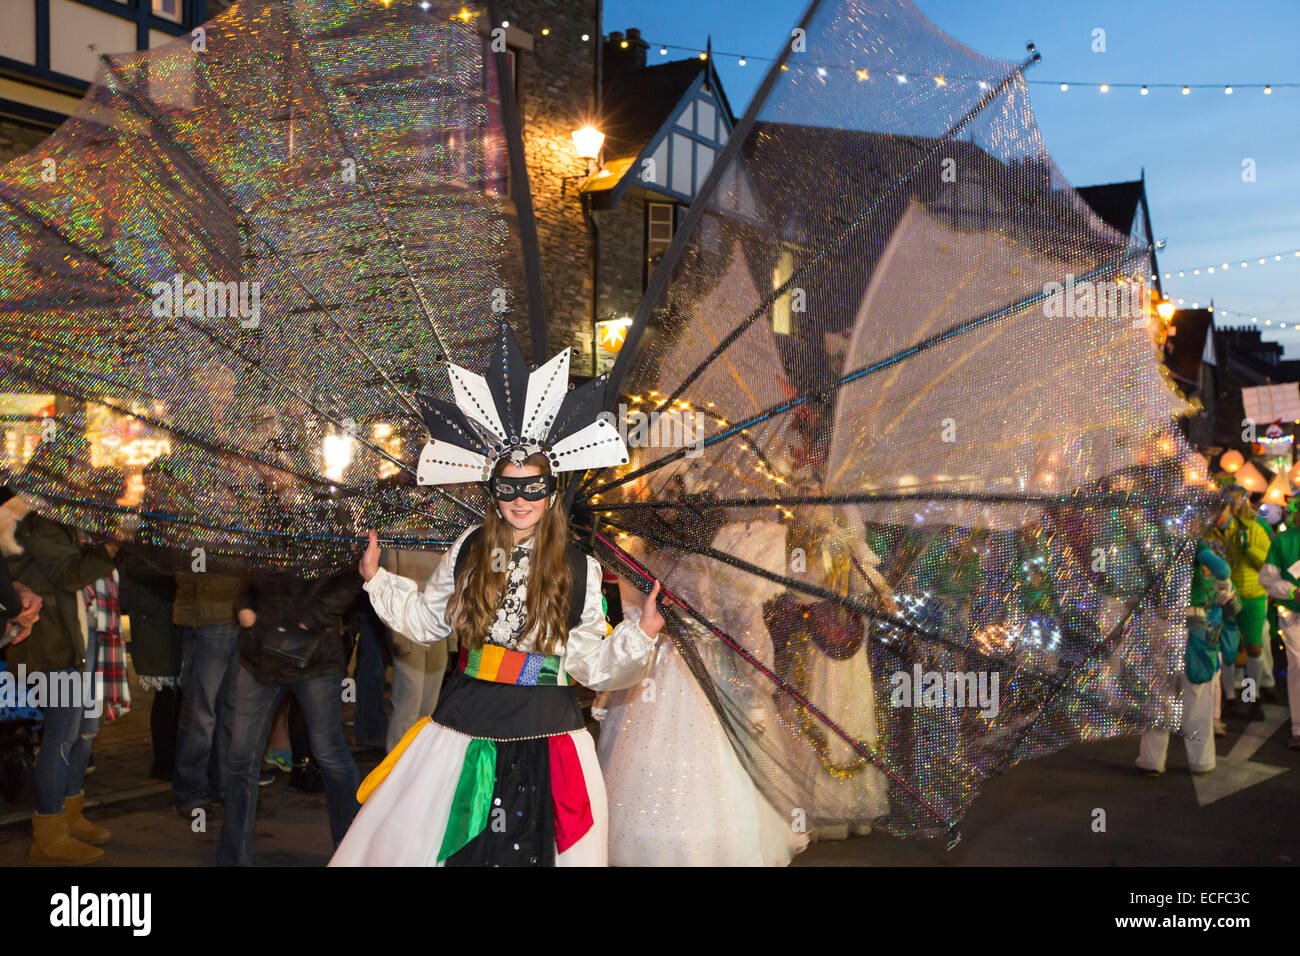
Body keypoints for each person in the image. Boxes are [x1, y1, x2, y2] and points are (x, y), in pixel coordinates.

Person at [330, 454, 661, 866]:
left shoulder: (580, 566)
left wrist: (640, 635)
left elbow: (589, 663)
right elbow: (429, 620)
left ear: (552, 493)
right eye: (507, 489)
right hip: (465, 722)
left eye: (532, 489)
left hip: (546, 732)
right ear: (493, 492)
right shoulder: (470, 546)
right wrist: (376, 579)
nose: (520, 502)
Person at [595, 519, 809, 866]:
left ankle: (654, 848)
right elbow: (747, 627)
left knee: (645, 764)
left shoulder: (632, 552)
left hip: (651, 666)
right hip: (705, 670)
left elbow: (631, 621)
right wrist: (759, 679)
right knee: (715, 764)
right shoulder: (726, 556)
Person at [216, 565, 364, 865]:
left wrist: (308, 621)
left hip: (315, 653)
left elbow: (354, 577)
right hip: (259, 652)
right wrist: (244, 606)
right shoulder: (263, 521)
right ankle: (233, 859)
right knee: (241, 758)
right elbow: (248, 567)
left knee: (329, 752)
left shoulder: (334, 522)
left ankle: (352, 851)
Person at [1, 492, 119, 864]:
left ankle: (70, 814)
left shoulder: (51, 515)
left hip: (72, 638)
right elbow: (70, 574)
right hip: (50, 645)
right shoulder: (34, 520)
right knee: (61, 738)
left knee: (81, 733)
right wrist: (113, 546)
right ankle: (49, 832)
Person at [1136, 542, 1232, 775]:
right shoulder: (1194, 542)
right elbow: (1222, 569)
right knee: (1197, 695)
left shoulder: (1149, 538)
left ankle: (1152, 761)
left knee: (1158, 695)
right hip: (1194, 623)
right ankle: (1202, 762)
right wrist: (1223, 587)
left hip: (1159, 625)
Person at [171, 567, 242, 814]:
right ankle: (189, 793)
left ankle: (221, 786)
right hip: (208, 615)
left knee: (229, 710)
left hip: (234, 612)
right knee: (201, 712)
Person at [1208, 488, 1270, 720]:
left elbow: (1266, 562)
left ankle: (1252, 698)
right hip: (1227, 597)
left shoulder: (1255, 529)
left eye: (1234, 503)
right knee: (1228, 652)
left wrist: (1247, 546)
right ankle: (1230, 698)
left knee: (1254, 648)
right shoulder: (1214, 531)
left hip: (1253, 596)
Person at [118, 553, 182, 780]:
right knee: (166, 694)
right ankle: (164, 761)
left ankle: (173, 759)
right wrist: (182, 568)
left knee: (177, 695)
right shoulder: (145, 539)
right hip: (158, 623)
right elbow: (141, 568)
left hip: (173, 622)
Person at [1256, 511, 1300, 750]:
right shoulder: (1283, 541)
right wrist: (1293, 592)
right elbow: (1267, 579)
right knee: (1298, 666)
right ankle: (1298, 728)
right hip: (1292, 616)